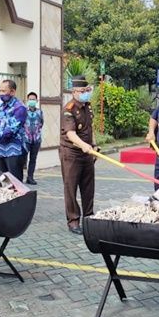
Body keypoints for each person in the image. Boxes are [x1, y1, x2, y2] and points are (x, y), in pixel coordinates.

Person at [60, 76, 97, 235]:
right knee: (71, 187)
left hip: (87, 153)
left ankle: (88, 218)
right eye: (82, 91)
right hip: (72, 154)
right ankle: (73, 221)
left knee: (88, 188)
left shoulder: (87, 107)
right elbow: (71, 134)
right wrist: (84, 146)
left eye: (87, 90)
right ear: (74, 91)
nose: (85, 93)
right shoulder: (69, 109)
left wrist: (93, 146)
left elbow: (90, 128)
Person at [24, 92, 44, 185]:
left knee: (33, 159)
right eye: (30, 99)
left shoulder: (39, 112)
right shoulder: (23, 111)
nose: (32, 101)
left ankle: (30, 177)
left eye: (33, 99)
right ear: (27, 100)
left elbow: (41, 123)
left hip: (36, 139)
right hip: (26, 139)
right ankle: (19, 178)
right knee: (23, 159)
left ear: (36, 100)